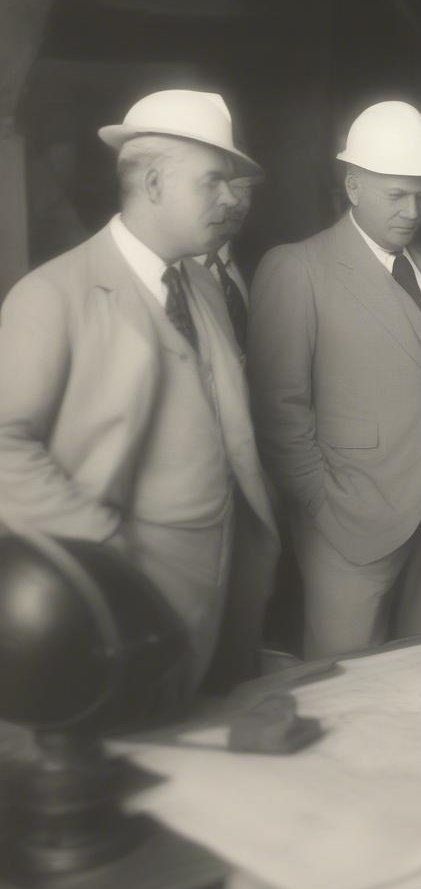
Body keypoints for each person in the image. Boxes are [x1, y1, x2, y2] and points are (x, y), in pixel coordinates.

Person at [0, 89, 279, 691]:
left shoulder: (204, 289)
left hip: (225, 580)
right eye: (214, 182)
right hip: (117, 591)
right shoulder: (51, 295)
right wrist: (103, 546)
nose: (233, 200)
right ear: (153, 183)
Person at [248, 101, 421, 658]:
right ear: (354, 187)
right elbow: (279, 410)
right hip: (348, 521)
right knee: (346, 681)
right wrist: (324, 504)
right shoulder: (298, 269)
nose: (412, 211)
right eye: (396, 195)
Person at [200, 172, 257, 350]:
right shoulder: (170, 272)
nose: (239, 201)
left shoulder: (257, 262)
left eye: (245, 188)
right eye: (232, 186)